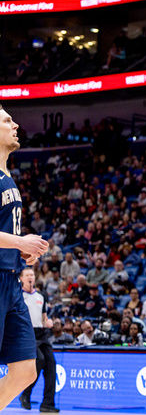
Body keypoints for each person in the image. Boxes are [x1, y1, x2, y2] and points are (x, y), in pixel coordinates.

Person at [0, 105, 50, 411]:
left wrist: (21, 251)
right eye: (7, 121)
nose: (16, 124)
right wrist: (20, 241)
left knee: (25, 370)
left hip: (11, 280)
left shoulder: (7, 175)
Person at [19, 267, 57, 413]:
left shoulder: (41, 295)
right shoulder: (18, 295)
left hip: (41, 333)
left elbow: (44, 317)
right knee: (39, 360)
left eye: (32, 275)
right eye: (27, 275)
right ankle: (25, 394)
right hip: (26, 333)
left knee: (51, 364)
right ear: (21, 278)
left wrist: (48, 322)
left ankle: (47, 404)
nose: (30, 277)